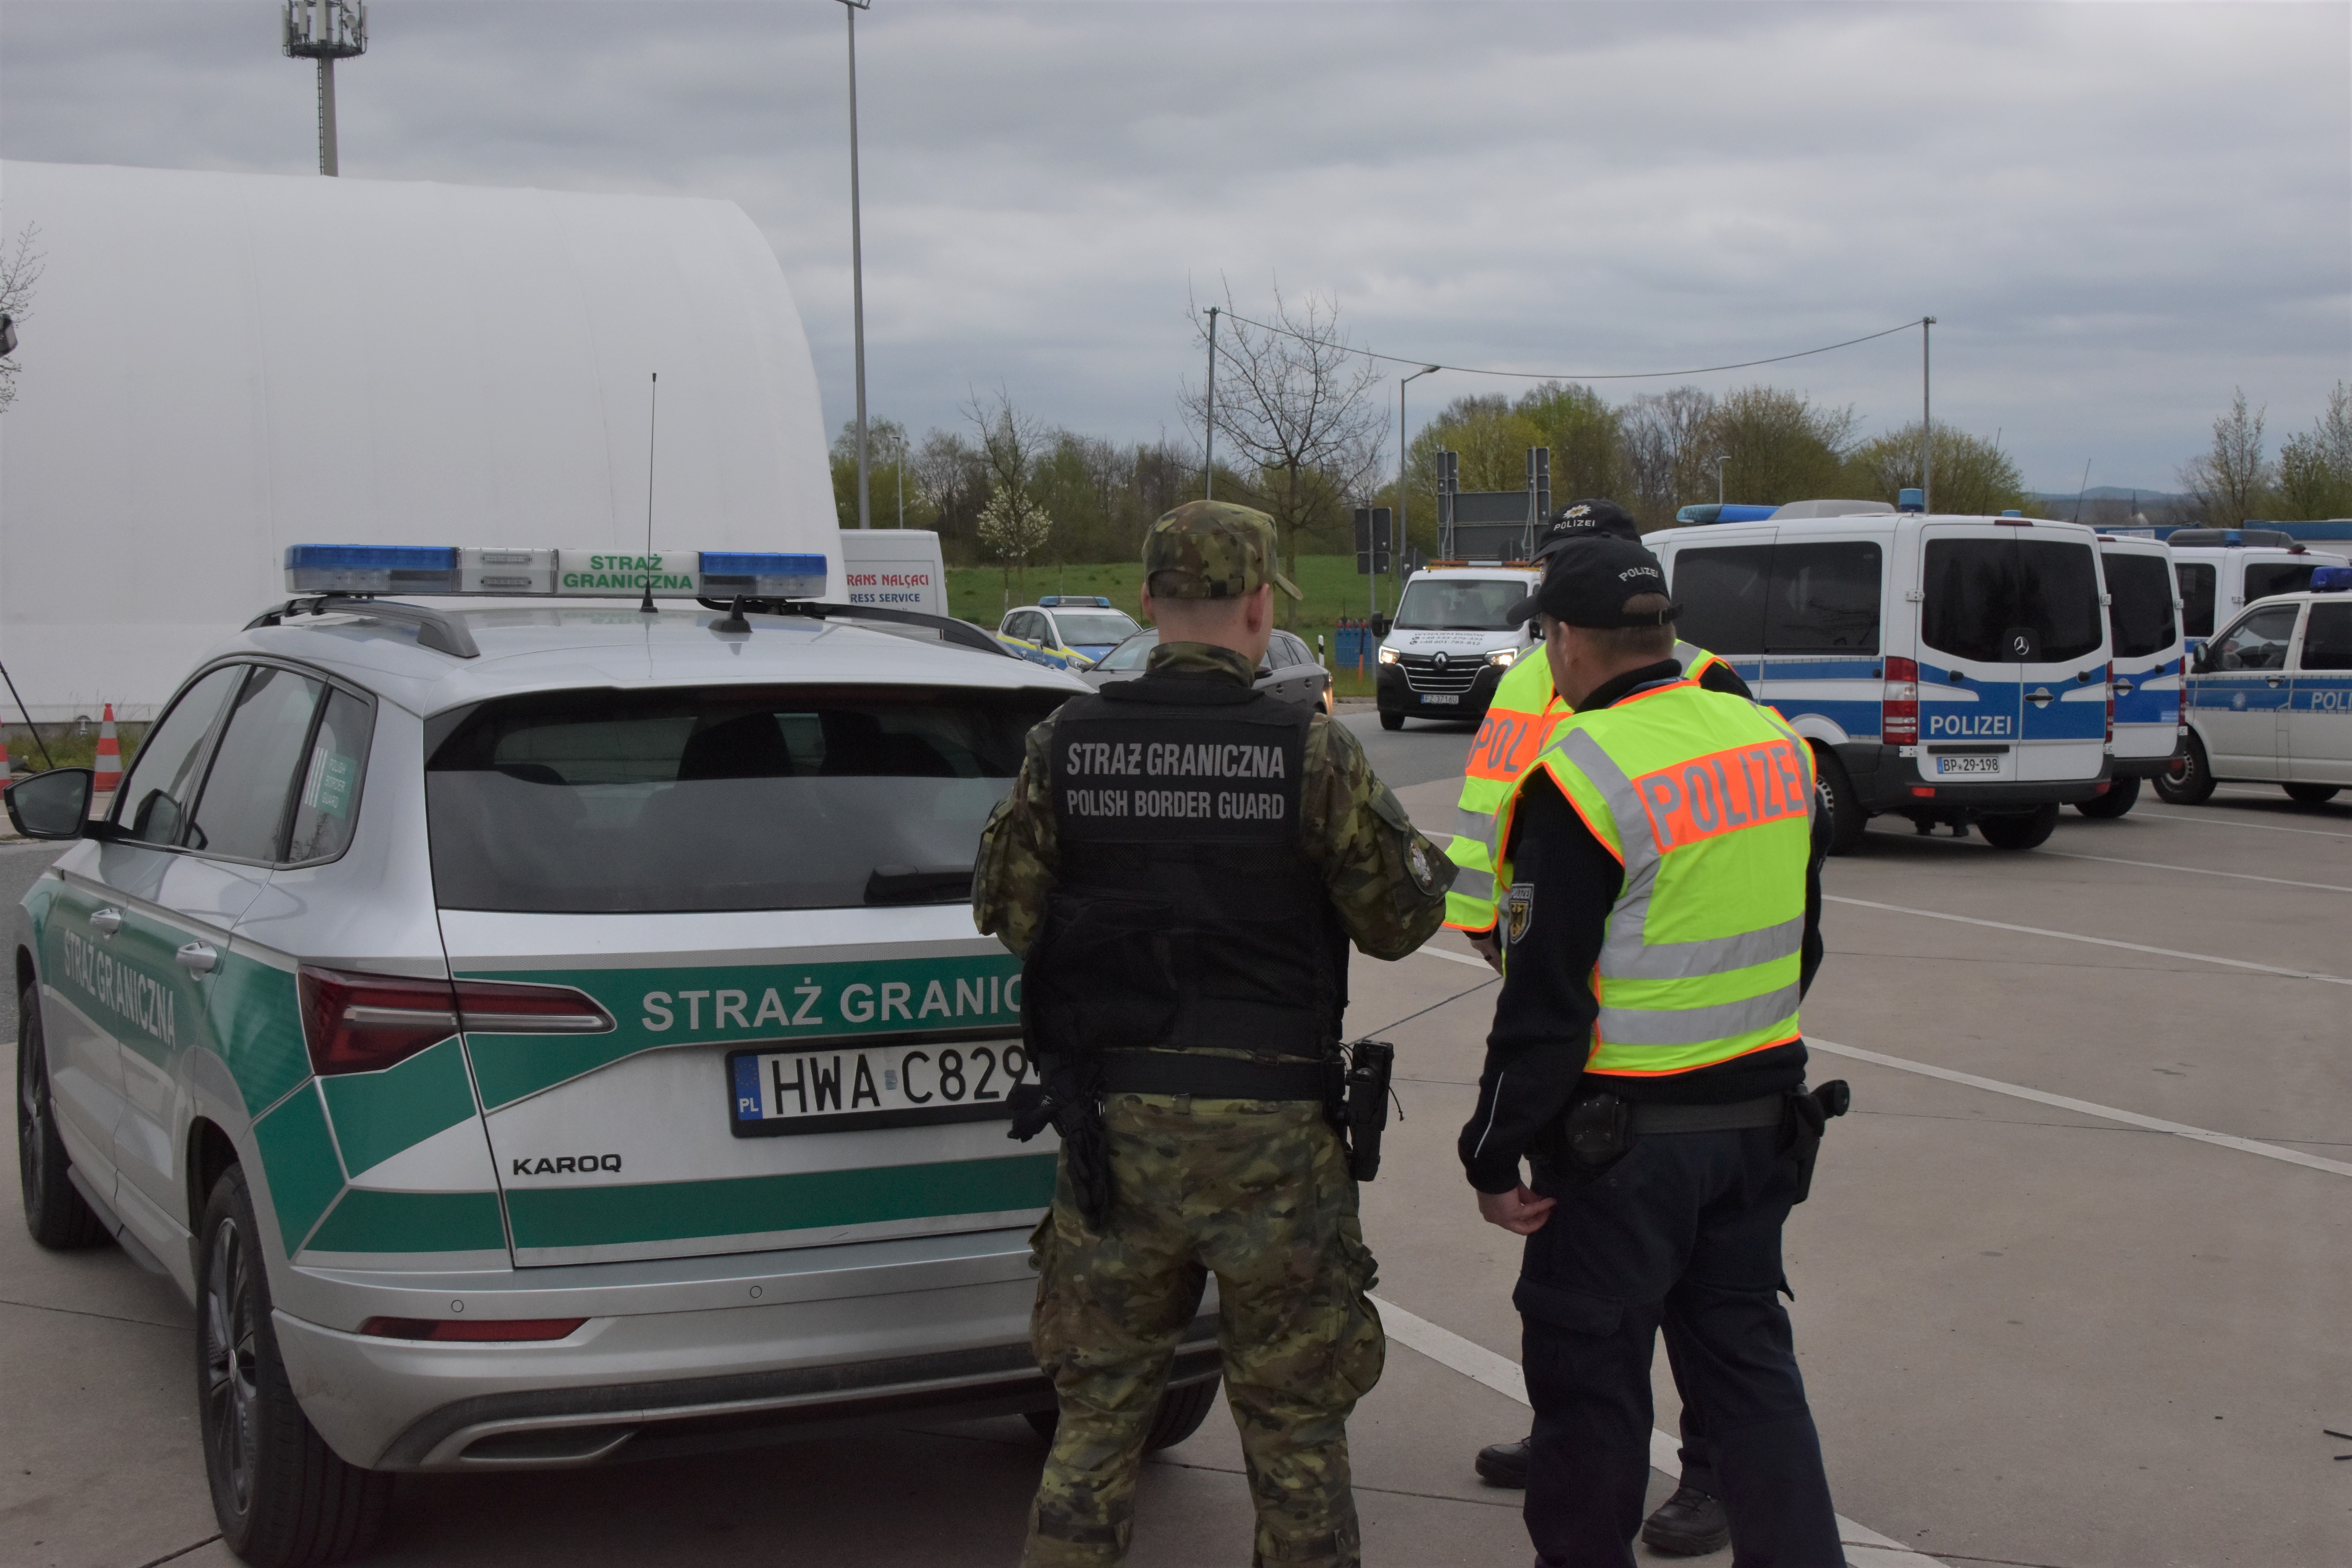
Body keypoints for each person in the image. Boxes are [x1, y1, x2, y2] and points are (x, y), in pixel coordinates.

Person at [974, 499, 1454, 1568]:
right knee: (1295, 1433)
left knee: (1096, 1424)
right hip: (1275, 1141)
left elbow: (1009, 913)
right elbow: (1400, 921)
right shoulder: (1313, 752)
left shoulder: (1064, 745)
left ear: (1147, 604)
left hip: (1117, 1135)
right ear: (1260, 608)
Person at [1457, 532, 1844, 1568]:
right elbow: (1801, 942)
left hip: (1622, 1150)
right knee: (1753, 1379)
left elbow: (1545, 1001)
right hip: (1760, 1126)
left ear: (1568, 640)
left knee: (1590, 1396)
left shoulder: (1584, 771)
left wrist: (1492, 1153)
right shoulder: (1773, 744)